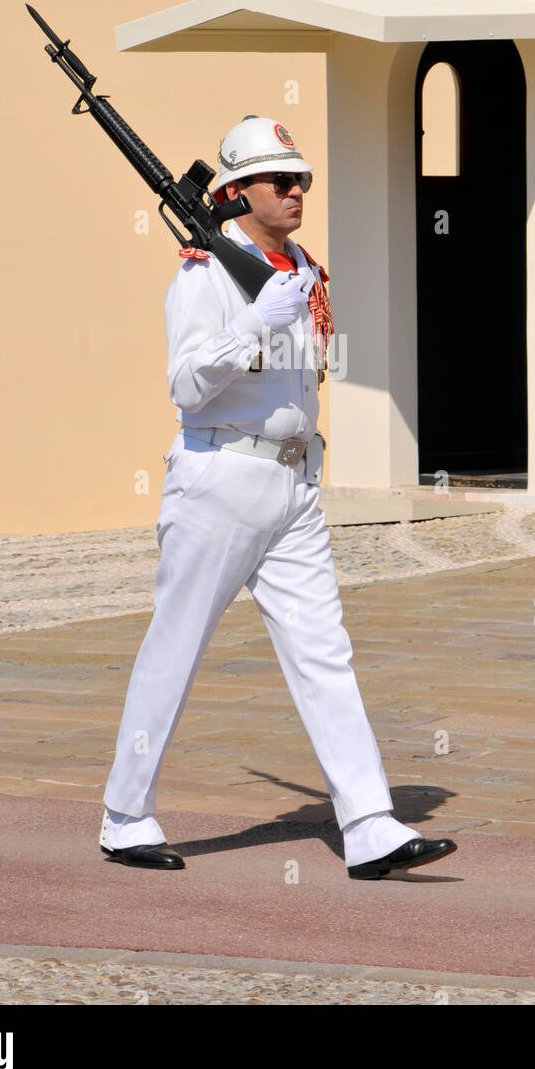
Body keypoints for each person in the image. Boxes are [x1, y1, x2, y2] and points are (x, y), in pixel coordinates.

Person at [100, 116, 457, 880]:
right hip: (220, 478)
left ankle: (368, 824)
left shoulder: (300, 267)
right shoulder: (207, 275)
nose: (296, 191)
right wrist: (254, 327)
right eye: (278, 181)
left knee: (324, 652)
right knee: (176, 647)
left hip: (294, 484)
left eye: (302, 180)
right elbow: (186, 384)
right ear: (234, 193)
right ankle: (125, 815)